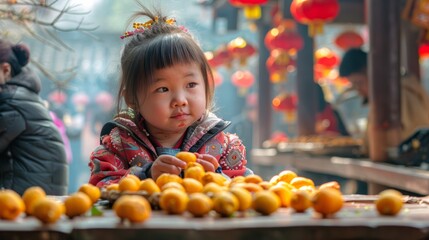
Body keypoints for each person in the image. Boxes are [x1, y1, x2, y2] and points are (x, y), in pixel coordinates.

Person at [88, 6, 253, 187]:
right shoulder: (118, 145)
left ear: (206, 84)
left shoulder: (223, 145)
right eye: (163, 89)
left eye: (191, 85)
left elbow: (247, 188)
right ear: (132, 99)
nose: (180, 100)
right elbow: (101, 187)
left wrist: (218, 177)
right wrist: (146, 175)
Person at [0, 39, 68, 195]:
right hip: (39, 193)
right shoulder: (21, 97)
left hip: (28, 197)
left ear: (5, 70)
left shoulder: (12, 103)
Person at [339, 48, 429, 142]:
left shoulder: (402, 95)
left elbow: (416, 144)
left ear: (373, 73)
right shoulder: (383, 98)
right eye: (354, 85)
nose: (358, 90)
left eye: (359, 83)